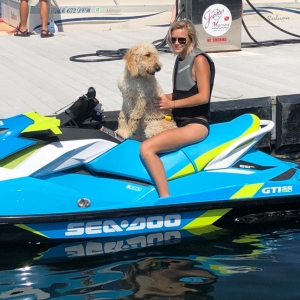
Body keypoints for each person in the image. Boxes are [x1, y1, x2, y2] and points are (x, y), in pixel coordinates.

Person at [140, 20, 215, 198]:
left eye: (181, 40)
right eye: (173, 40)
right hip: (178, 121)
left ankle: (166, 198)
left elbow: (203, 96)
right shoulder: (180, 60)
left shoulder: (199, 60)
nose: (176, 44)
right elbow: (181, 93)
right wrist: (160, 98)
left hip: (196, 124)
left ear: (191, 39)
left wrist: (171, 104)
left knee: (147, 148)